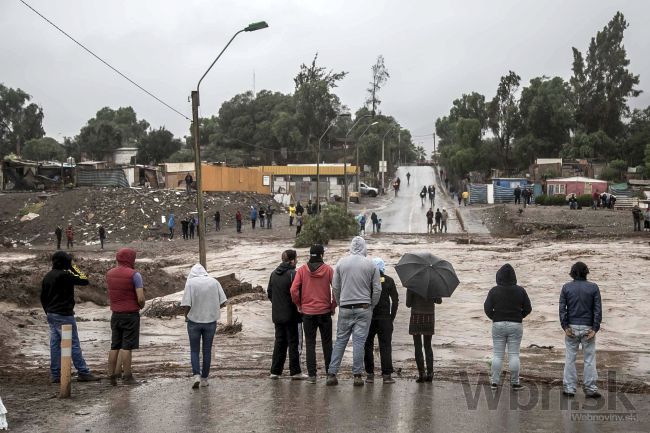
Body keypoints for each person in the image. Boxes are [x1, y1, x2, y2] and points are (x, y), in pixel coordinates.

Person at [327, 236, 381, 386]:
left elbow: (335, 287)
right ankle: (357, 376)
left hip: (345, 307)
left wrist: (340, 302)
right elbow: (377, 289)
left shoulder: (341, 263)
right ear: (364, 247)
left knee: (340, 341)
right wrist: (372, 305)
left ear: (351, 247)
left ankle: (332, 373)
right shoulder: (371, 265)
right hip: (364, 307)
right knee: (359, 342)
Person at [41, 251, 98, 383]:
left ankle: (55, 375)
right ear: (65, 262)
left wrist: (48, 312)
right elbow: (84, 280)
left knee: (55, 345)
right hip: (64, 315)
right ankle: (83, 372)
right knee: (73, 344)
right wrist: (73, 267)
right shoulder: (65, 275)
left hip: (51, 314)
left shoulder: (48, 276)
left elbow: (43, 298)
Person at [291, 244, 335, 383]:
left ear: (310, 255)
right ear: (321, 255)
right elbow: (337, 289)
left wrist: (299, 305)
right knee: (327, 344)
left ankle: (312, 376)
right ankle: (330, 373)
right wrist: (333, 305)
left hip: (308, 313)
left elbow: (293, 290)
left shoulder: (302, 270)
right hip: (325, 312)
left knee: (310, 344)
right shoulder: (328, 270)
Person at [484, 264, 532, 391]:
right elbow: (528, 308)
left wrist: (494, 317)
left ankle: (494, 382)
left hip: (498, 324)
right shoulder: (520, 290)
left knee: (498, 355)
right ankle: (515, 383)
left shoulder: (494, 291)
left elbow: (487, 308)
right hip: (516, 324)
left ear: (499, 276)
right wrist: (519, 316)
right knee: (514, 355)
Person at [559, 261, 602, 399]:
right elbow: (597, 310)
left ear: (572, 273)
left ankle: (570, 389)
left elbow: (562, 309)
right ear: (586, 272)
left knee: (570, 358)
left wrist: (565, 326)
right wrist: (595, 328)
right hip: (588, 328)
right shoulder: (594, 287)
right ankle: (590, 389)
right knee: (589, 359)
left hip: (571, 326)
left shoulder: (566, 287)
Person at [181, 264, 227, 388]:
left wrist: (186, 316)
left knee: (194, 350)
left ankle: (196, 375)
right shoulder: (214, 282)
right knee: (207, 351)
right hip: (210, 322)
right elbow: (223, 302)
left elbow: (186, 304)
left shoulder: (190, 283)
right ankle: (205, 379)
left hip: (194, 322)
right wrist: (213, 309)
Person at [106, 248, 145, 385]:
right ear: (131, 259)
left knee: (114, 345)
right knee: (127, 346)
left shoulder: (109, 273)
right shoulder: (135, 275)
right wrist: (141, 305)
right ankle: (127, 376)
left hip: (115, 314)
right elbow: (140, 297)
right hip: (130, 315)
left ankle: (111, 375)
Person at [268, 250, 305, 380]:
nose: (297, 261)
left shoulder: (273, 274)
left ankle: (275, 371)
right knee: (294, 343)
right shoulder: (293, 274)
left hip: (277, 315)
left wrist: (278, 305)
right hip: (292, 316)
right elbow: (298, 293)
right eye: (296, 258)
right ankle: (295, 372)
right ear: (292, 260)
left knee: (279, 342)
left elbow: (269, 293)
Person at [364, 258, 398, 384]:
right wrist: (391, 317)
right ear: (383, 267)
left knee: (367, 345)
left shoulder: (367, 281)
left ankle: (370, 374)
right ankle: (387, 375)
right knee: (385, 346)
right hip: (385, 319)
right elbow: (395, 301)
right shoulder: (389, 280)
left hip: (369, 318)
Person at [406, 290, 441, 383]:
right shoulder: (433, 284)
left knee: (417, 346)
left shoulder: (412, 284)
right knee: (428, 346)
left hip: (416, 317)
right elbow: (439, 301)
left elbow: (408, 304)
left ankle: (422, 374)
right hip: (429, 317)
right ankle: (430, 373)